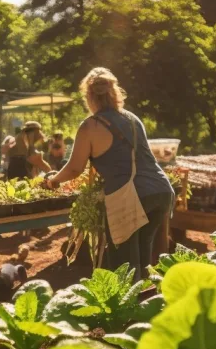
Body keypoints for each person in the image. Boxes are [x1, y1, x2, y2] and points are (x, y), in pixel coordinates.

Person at [44, 67, 174, 277]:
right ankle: (144, 304)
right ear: (115, 93)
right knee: (142, 257)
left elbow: (75, 168)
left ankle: (127, 306)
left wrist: (53, 180)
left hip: (131, 196)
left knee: (124, 263)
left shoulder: (91, 126)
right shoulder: (132, 118)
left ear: (89, 96)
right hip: (160, 191)